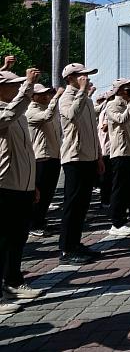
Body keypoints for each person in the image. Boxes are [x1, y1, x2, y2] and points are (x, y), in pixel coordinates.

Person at [0, 68, 44, 314]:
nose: (18, 87)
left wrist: (32, 183)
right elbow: (7, 116)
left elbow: (25, 151)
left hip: (22, 184)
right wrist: (27, 88)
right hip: (4, 185)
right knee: (2, 240)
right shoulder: (8, 111)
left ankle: (14, 281)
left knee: (18, 238)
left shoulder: (17, 111)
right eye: (13, 84)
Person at [59, 63, 105, 264]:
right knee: (72, 205)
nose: (86, 78)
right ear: (71, 78)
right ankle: (66, 249)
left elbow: (92, 131)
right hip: (74, 158)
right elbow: (72, 116)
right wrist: (83, 93)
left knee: (82, 205)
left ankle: (76, 243)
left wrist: (99, 157)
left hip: (88, 158)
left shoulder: (84, 98)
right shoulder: (66, 98)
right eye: (82, 75)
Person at [26, 83, 65, 237]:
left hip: (53, 156)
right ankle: (33, 224)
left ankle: (41, 221)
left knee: (48, 193)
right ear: (32, 96)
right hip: (40, 157)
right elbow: (46, 117)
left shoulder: (49, 108)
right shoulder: (31, 111)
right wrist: (56, 98)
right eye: (41, 94)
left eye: (47, 93)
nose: (46, 96)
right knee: (39, 194)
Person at [105, 78, 130, 236]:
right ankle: (116, 223)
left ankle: (123, 219)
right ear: (119, 91)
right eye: (128, 89)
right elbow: (122, 119)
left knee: (127, 188)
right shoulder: (112, 105)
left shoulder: (128, 105)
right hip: (120, 152)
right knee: (119, 188)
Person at [96, 92, 112, 208]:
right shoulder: (107, 111)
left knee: (110, 177)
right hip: (106, 148)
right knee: (106, 177)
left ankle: (108, 199)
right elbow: (104, 127)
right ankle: (105, 200)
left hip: (111, 148)